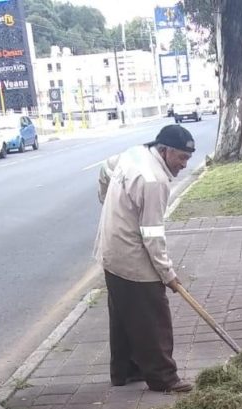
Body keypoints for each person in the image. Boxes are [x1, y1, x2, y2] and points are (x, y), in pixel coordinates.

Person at [94, 124, 196, 393]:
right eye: (181, 158)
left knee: (123, 313)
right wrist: (168, 274)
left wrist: (106, 200)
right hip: (130, 254)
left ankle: (125, 371)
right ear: (164, 150)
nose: (184, 164)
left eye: (188, 158)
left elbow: (105, 168)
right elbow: (152, 235)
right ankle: (164, 377)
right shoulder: (154, 181)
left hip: (110, 249)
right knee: (153, 316)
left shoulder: (135, 153)